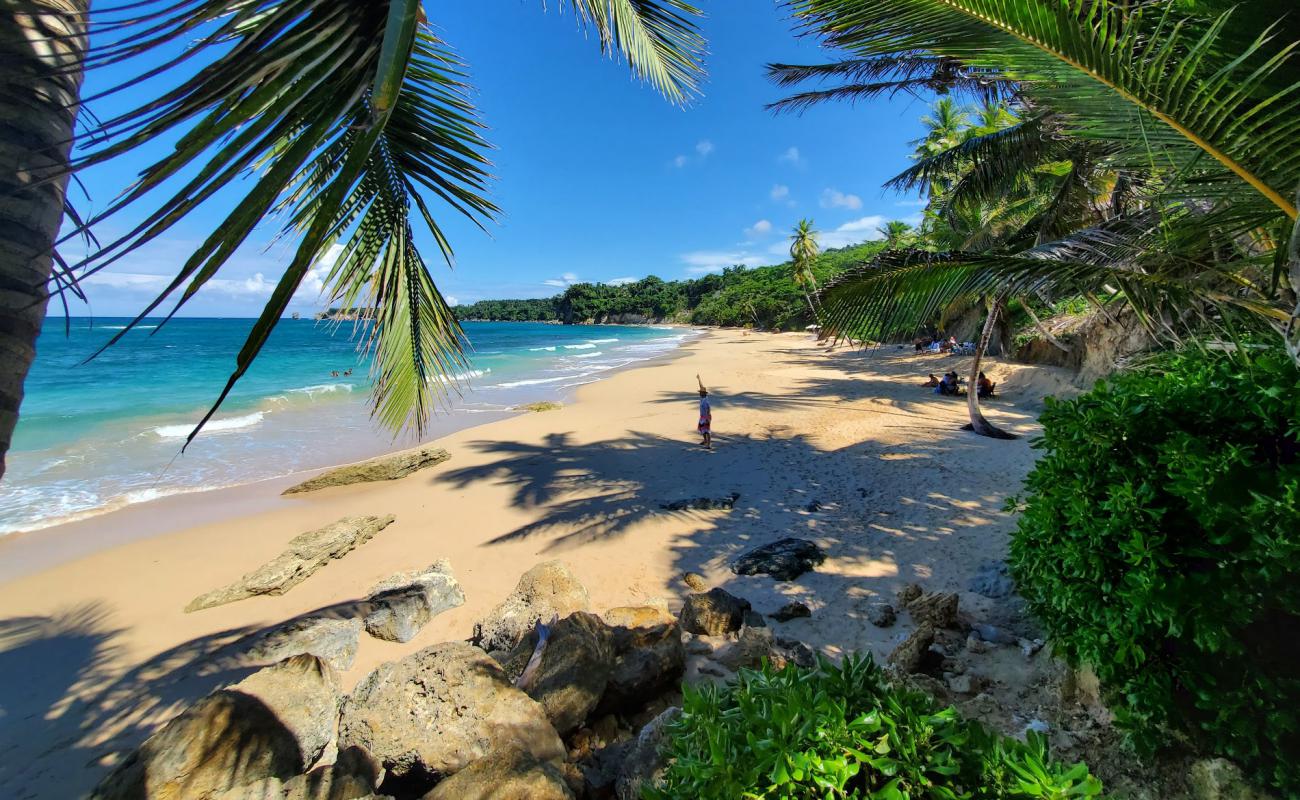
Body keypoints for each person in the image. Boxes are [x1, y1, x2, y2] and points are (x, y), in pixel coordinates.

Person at [696, 378, 712, 449]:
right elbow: (701, 386)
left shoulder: (705, 400)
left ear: (703, 393)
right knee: (702, 429)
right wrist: (699, 379)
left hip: (706, 417)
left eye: (700, 392)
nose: (699, 393)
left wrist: (707, 418)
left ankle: (708, 444)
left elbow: (708, 409)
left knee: (707, 431)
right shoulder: (703, 398)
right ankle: (705, 441)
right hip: (702, 417)